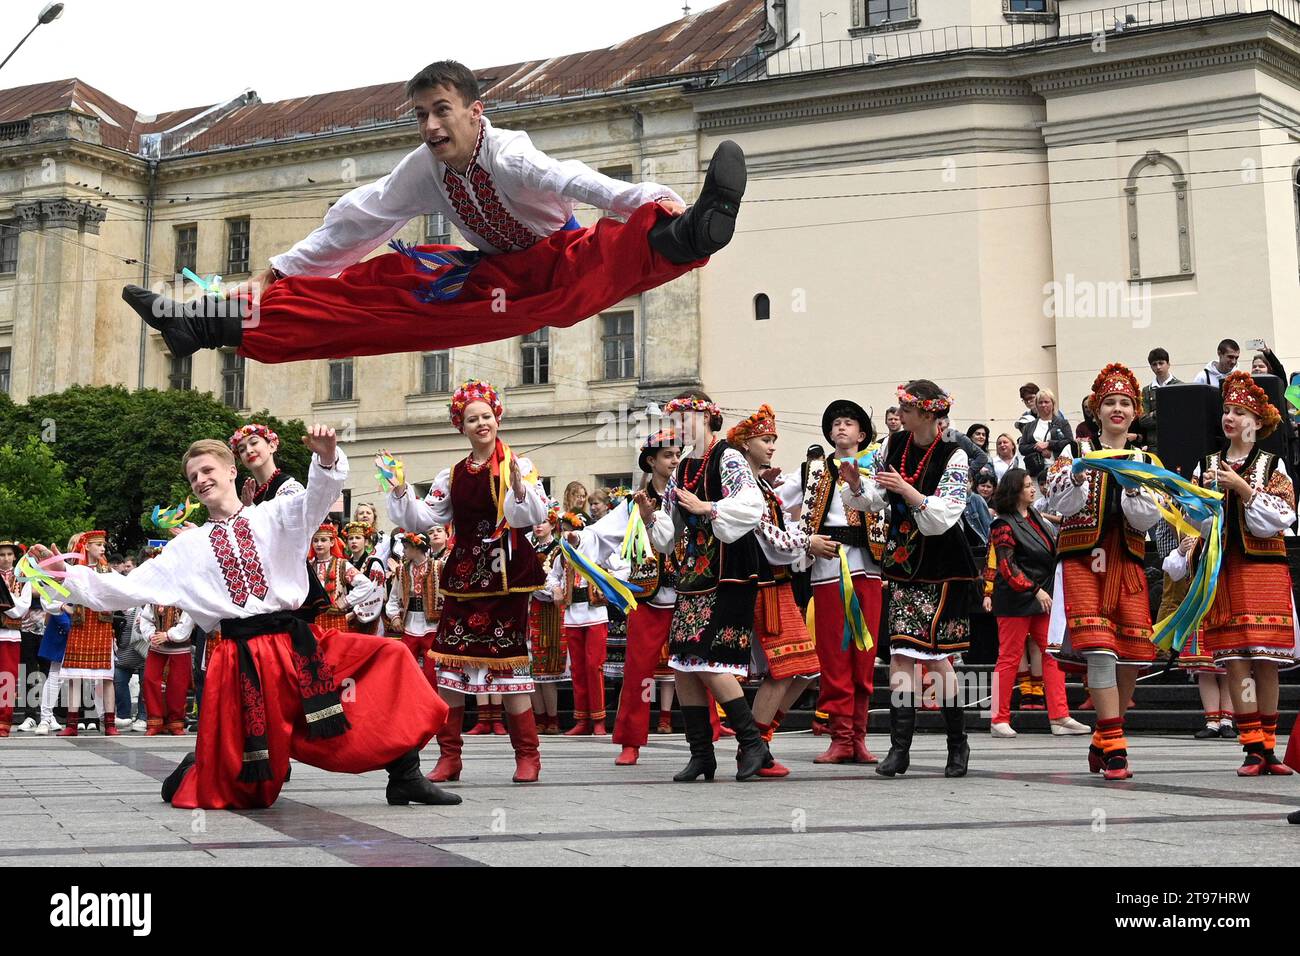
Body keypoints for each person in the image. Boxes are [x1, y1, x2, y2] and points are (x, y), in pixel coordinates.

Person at [124, 60, 746, 366]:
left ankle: (694, 229)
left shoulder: (510, 154)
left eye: (442, 110)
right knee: (371, 288)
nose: (429, 125)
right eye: (420, 113)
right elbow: (359, 218)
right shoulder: (424, 166)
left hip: (553, 262)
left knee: (600, 258)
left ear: (476, 110)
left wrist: (652, 197)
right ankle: (199, 322)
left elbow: (577, 182)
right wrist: (280, 269)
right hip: (484, 276)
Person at [34, 426, 458, 808]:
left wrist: (327, 457)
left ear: (232, 471)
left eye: (207, 470)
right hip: (243, 662)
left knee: (391, 658)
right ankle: (202, 759)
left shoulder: (275, 514)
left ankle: (406, 776)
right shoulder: (188, 547)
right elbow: (124, 589)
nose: (201, 480)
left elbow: (318, 500)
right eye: (193, 477)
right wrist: (65, 573)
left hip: (300, 646)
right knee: (249, 791)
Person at [386, 379, 549, 784]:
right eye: (472, 418)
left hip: (507, 577)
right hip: (463, 578)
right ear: (461, 426)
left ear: (497, 419)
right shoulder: (452, 474)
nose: (481, 423)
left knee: (508, 663)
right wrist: (402, 491)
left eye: (487, 416)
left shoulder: (519, 465)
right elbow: (425, 520)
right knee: (451, 664)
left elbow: (529, 517)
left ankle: (527, 756)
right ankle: (450, 757)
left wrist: (516, 490)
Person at [850, 380, 979, 779]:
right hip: (905, 561)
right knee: (902, 652)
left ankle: (957, 744)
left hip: (943, 563)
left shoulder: (954, 454)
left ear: (926, 413)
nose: (898, 414)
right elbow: (876, 497)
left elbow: (944, 515)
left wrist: (908, 490)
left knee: (939, 656)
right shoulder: (893, 446)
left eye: (905, 408)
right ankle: (899, 747)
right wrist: (857, 485)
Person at [643, 390, 769, 781]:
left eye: (686, 418)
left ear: (707, 418)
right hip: (694, 575)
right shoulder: (681, 470)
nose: (680, 426)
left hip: (730, 570)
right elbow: (668, 536)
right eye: (675, 419)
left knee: (710, 661)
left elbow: (752, 506)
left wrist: (708, 507)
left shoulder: (728, 457)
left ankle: (753, 744)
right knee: (682, 663)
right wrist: (650, 518)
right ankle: (701, 753)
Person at [1046, 363, 1161, 781]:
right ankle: (1115, 747)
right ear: (1097, 410)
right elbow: (1059, 504)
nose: (1117, 409)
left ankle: (1103, 736)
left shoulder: (1146, 459)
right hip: (1083, 559)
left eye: (1125, 403)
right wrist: (1076, 476)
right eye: (1109, 402)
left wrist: (1132, 482)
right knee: (1099, 649)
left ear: (1134, 413)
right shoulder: (1073, 452)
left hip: (1126, 562)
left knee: (1130, 655)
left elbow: (1147, 520)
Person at [1194, 371, 1297, 776]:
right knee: (1236, 660)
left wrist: (1244, 488)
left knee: (1267, 660)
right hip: (1226, 570)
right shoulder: (1207, 464)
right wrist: (1201, 502)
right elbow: (1196, 521)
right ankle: (1252, 746)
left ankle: (1269, 746)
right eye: (1227, 410)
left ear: (1256, 422)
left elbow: (1283, 516)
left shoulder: (1274, 464)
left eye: (1239, 412)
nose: (1230, 418)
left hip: (1265, 570)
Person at [578, 430, 681, 765]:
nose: (674, 460)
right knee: (639, 670)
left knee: (694, 667)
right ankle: (631, 741)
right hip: (648, 595)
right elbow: (601, 533)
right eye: (667, 455)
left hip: (687, 591)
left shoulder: (688, 495)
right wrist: (579, 539)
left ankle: (706, 731)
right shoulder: (632, 504)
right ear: (651, 461)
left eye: (677, 454)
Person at [731, 405, 819, 777]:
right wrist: (808, 538)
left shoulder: (762, 483)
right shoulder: (747, 486)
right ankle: (755, 746)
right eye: (765, 440)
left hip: (777, 583)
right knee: (787, 668)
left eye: (772, 440)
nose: (771, 447)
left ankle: (760, 742)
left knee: (805, 668)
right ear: (746, 443)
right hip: (763, 585)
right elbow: (773, 542)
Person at [801, 399, 884, 765]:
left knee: (864, 653)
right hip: (828, 564)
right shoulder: (812, 470)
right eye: (835, 423)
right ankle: (840, 737)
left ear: (862, 433)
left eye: (848, 423)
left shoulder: (878, 466)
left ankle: (860, 737)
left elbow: (886, 507)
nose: (841, 428)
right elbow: (792, 510)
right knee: (834, 652)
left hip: (867, 564)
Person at [984, 469, 1090, 738]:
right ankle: (998, 718)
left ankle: (1060, 716)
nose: (1033, 490)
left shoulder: (1037, 519)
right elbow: (1007, 566)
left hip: (1042, 596)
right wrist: (1034, 590)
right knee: (1008, 657)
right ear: (1014, 491)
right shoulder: (1002, 524)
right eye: (1028, 486)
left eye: (1032, 485)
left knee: (1052, 655)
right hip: (1016, 599)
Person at [1162, 535, 1235, 740]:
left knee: (1228, 668)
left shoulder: (1229, 535)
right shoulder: (1193, 542)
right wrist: (1180, 551)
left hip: (1226, 606)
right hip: (1200, 611)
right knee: (1205, 669)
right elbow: (1174, 572)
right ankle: (1212, 721)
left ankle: (1227, 720)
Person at [548, 511, 611, 735]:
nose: (566, 533)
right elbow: (552, 576)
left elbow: (620, 567)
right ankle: (582, 719)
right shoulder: (562, 554)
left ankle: (599, 720)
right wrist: (555, 589)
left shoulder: (597, 550)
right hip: (573, 614)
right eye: (563, 529)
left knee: (594, 667)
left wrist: (606, 583)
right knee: (577, 669)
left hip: (595, 614)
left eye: (570, 529)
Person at [56, 531, 117, 737]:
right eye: (98, 545)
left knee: (106, 678)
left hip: (101, 625)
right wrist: (64, 606)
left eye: (103, 545)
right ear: (87, 547)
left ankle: (110, 723)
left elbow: (120, 593)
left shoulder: (108, 571)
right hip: (81, 624)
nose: (102, 548)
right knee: (75, 676)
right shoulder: (76, 570)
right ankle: (72, 724)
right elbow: (57, 590)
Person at [385, 531, 444, 689]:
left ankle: (432, 704)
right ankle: (409, 701)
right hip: (409, 624)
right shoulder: (402, 571)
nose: (403, 551)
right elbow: (393, 597)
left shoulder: (438, 567)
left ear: (417, 548)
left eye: (406, 547)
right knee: (405, 667)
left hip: (432, 626)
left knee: (431, 672)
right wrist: (395, 616)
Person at [526, 509, 566, 734]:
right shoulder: (529, 549)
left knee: (547, 669)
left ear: (552, 525)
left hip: (550, 609)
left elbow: (558, 579)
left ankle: (552, 718)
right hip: (531, 609)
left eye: (543, 522)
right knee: (532, 669)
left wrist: (545, 589)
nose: (538, 526)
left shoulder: (558, 549)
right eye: (535, 523)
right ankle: (539, 717)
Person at [137, 599, 194, 737]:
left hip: (179, 648)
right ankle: (155, 722)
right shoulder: (155, 596)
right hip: (157, 647)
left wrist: (168, 636)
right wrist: (151, 635)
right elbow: (146, 619)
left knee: (178, 686)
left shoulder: (184, 596)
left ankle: (175, 722)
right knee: (150, 680)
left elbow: (188, 621)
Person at [0, 540, 33, 737]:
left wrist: (4, 604)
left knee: (7, 679)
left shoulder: (22, 578)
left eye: (9, 555)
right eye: (1, 555)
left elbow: (23, 607)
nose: (5, 559)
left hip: (10, 635)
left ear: (15, 556)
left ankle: (4, 721)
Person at [229, 423, 304, 505]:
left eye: (254, 442)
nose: (248, 451)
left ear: (272, 446)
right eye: (242, 450)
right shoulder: (250, 495)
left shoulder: (290, 488)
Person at [1018, 388, 1072, 480]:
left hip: (1059, 470)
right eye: (1040, 402)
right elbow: (1022, 447)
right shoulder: (1030, 426)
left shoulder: (1062, 423)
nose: (1043, 405)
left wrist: (1048, 444)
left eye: (1046, 402)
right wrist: (1038, 447)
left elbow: (1070, 442)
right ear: (1036, 405)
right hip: (1036, 472)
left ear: (1053, 403)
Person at [1138, 347, 1181, 455]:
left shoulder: (1180, 386)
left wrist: (1154, 414)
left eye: (1161, 363)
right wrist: (1166, 413)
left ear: (1168, 364)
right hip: (1153, 446)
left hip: (1176, 442)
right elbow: (1143, 420)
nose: (1158, 367)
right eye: (1154, 364)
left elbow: (1179, 416)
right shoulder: (1147, 390)